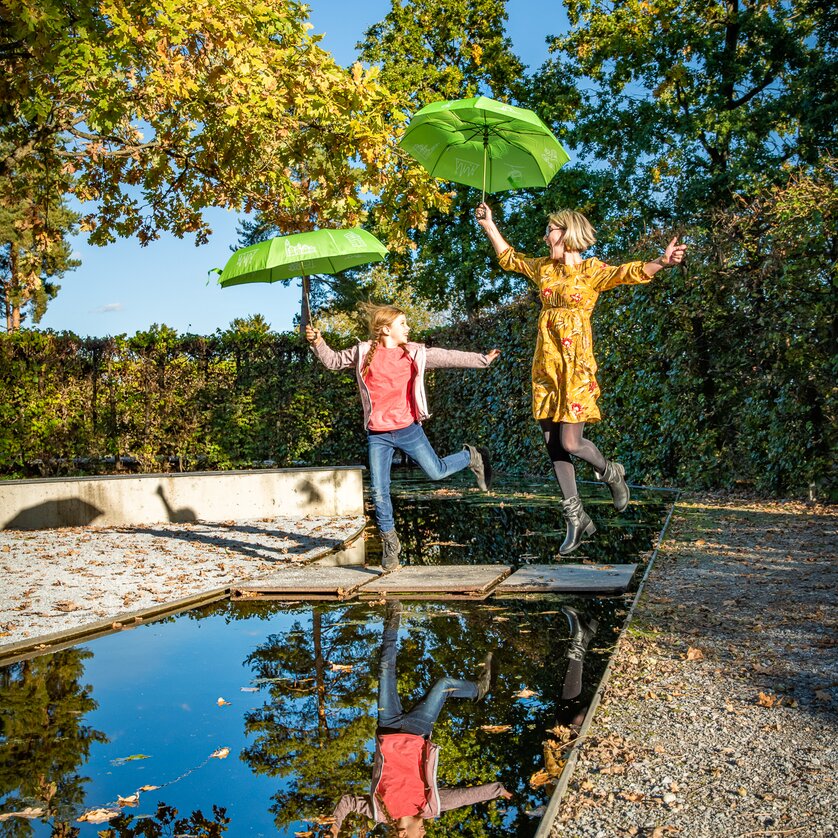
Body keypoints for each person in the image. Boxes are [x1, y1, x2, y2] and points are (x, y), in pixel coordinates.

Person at [475, 203, 687, 554]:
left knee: (572, 442)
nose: (545, 237)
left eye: (550, 231)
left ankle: (611, 472)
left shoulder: (592, 271)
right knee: (553, 443)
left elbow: (629, 271)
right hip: (547, 364)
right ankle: (576, 517)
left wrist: (662, 261)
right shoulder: (544, 268)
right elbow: (510, 258)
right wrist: (489, 225)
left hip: (576, 363)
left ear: (568, 232)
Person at [306, 303, 500, 570]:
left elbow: (446, 357)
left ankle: (471, 456)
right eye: (403, 324)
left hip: (409, 429)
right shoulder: (364, 352)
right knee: (379, 490)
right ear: (386, 329)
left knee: (437, 471)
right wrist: (318, 341)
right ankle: (390, 542)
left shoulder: (414, 353)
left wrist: (482, 360)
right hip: (378, 434)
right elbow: (334, 361)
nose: (408, 328)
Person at [328, 601, 511, 836]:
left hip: (389, 727)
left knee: (385, 669)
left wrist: (334, 827)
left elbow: (347, 802)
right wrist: (496, 790)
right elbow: (461, 797)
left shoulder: (378, 812)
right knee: (444, 685)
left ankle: (393, 615)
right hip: (418, 731)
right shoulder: (428, 807)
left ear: (403, 836)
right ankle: (478, 689)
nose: (424, 834)